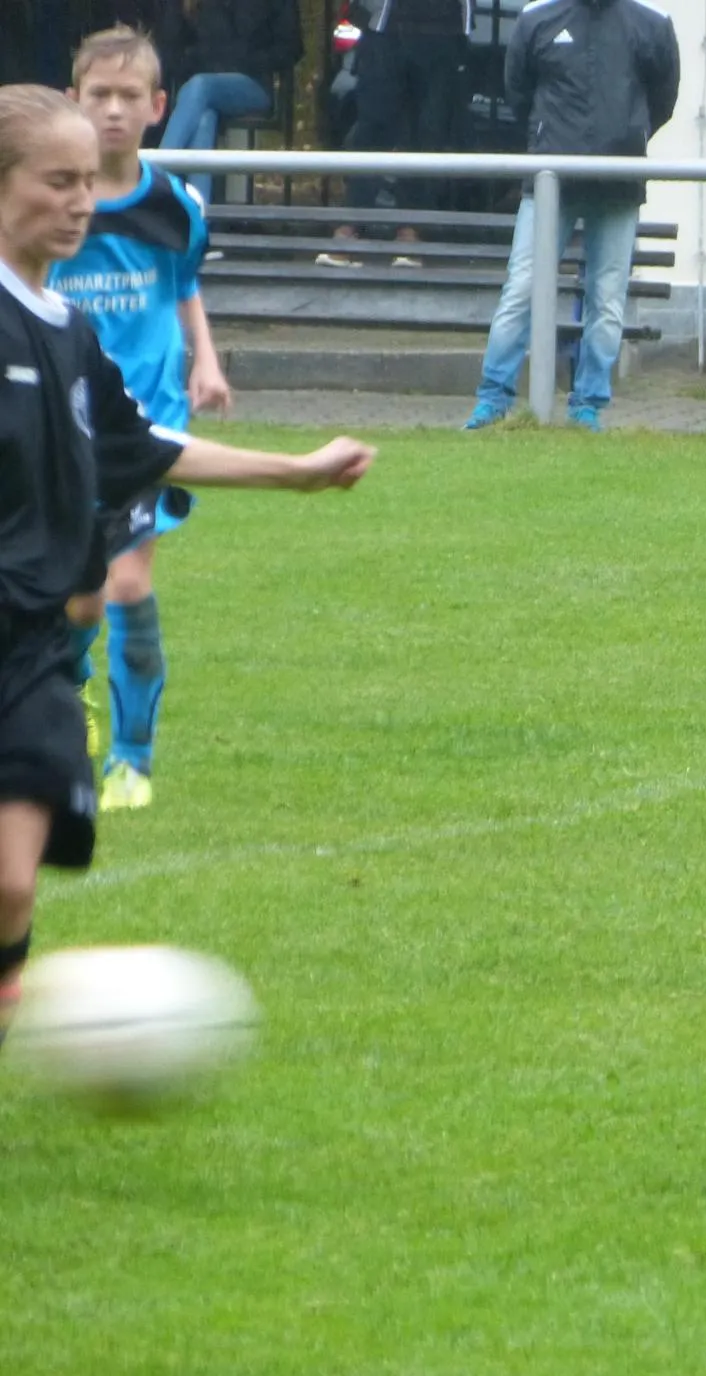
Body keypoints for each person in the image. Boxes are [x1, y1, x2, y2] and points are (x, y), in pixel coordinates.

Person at [0, 84, 372, 1025]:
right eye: (58, 182)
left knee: (11, 883)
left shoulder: (70, 331)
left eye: (88, 181)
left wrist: (296, 473)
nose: (82, 202)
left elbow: (142, 447)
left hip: (35, 649)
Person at [48, 27, 225, 811]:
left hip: (148, 422)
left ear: (157, 107)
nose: (113, 111)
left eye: (129, 97)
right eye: (99, 95)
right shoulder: (51, 202)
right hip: (60, 424)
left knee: (126, 583)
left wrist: (206, 358)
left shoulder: (177, 205)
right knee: (77, 599)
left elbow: (181, 285)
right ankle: (68, 702)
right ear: (73, 101)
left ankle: (131, 762)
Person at [465, 0, 680, 433]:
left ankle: (588, 405)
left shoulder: (652, 22)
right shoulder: (537, 17)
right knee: (522, 288)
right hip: (551, 181)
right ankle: (494, 398)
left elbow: (663, 99)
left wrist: (628, 139)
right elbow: (518, 91)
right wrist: (549, 139)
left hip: (618, 184)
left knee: (608, 299)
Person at [326, 0, 474, 267]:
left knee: (426, 134)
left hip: (443, 31)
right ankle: (352, 223)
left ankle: (411, 230)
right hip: (385, 28)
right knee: (372, 128)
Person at [155, 0, 304, 204]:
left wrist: (245, 61)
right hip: (202, 86)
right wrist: (197, 59)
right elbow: (172, 49)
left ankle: (155, 176)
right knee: (204, 118)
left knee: (200, 86)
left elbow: (292, 47)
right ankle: (199, 206)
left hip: (253, 83)